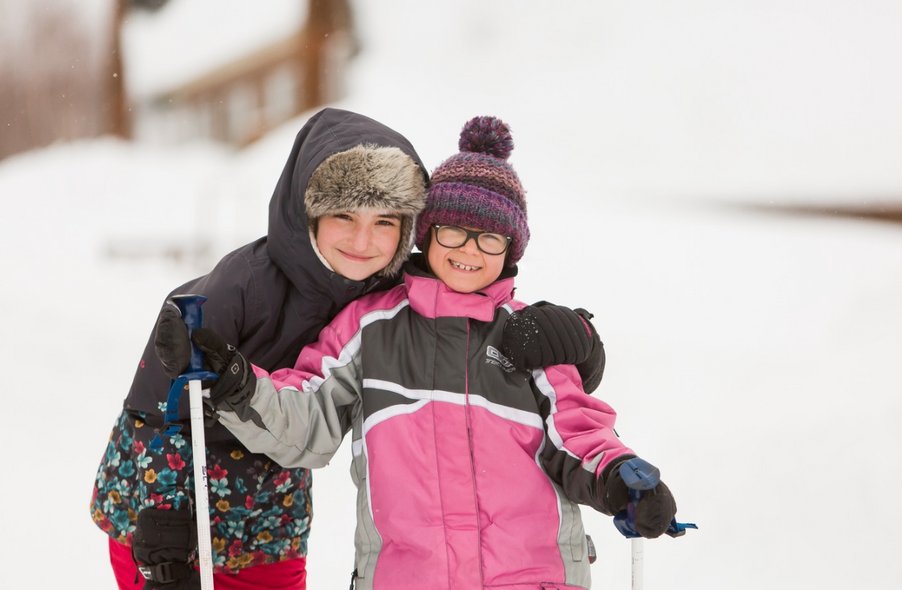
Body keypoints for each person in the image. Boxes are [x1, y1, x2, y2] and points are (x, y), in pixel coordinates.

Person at [90, 108, 606, 590]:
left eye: (384, 222)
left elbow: (468, 331)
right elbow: (162, 406)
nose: (363, 241)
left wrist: (581, 342)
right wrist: (163, 515)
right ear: (307, 215)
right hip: (173, 510)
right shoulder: (242, 285)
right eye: (344, 217)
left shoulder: (384, 292)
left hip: (269, 505)